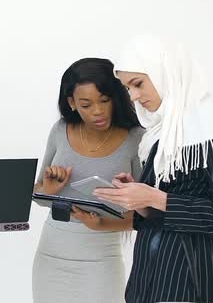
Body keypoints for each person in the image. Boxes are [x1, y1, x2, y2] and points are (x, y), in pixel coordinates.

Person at [94, 35, 213, 303]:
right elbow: (166, 212)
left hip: (185, 279)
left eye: (138, 84)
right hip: (148, 278)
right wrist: (141, 200)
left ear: (163, 73)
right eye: (127, 88)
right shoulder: (162, 133)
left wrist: (155, 197)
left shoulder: (207, 129)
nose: (133, 96)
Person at [32, 58, 144, 303]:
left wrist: (102, 225)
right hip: (52, 255)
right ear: (72, 103)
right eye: (86, 104)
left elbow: (147, 215)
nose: (97, 111)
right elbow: (39, 196)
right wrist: (49, 190)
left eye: (104, 100)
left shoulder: (137, 139)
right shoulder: (60, 130)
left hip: (102, 258)